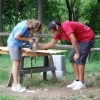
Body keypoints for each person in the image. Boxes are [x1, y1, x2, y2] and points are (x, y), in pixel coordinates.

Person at [37, 20, 95, 90]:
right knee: (72, 59)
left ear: (58, 28)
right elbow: (51, 44)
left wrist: (77, 53)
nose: (53, 34)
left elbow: (74, 40)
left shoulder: (66, 25)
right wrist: (37, 47)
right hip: (79, 40)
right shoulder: (58, 33)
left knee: (79, 59)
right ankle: (77, 80)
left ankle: (81, 82)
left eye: (53, 32)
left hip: (87, 37)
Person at [7, 19, 43, 92]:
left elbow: (28, 34)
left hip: (18, 44)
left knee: (17, 64)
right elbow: (16, 36)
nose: (34, 32)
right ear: (33, 27)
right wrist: (28, 39)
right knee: (16, 64)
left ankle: (16, 84)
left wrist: (32, 37)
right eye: (35, 30)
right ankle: (15, 85)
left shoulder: (28, 25)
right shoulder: (24, 26)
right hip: (13, 44)